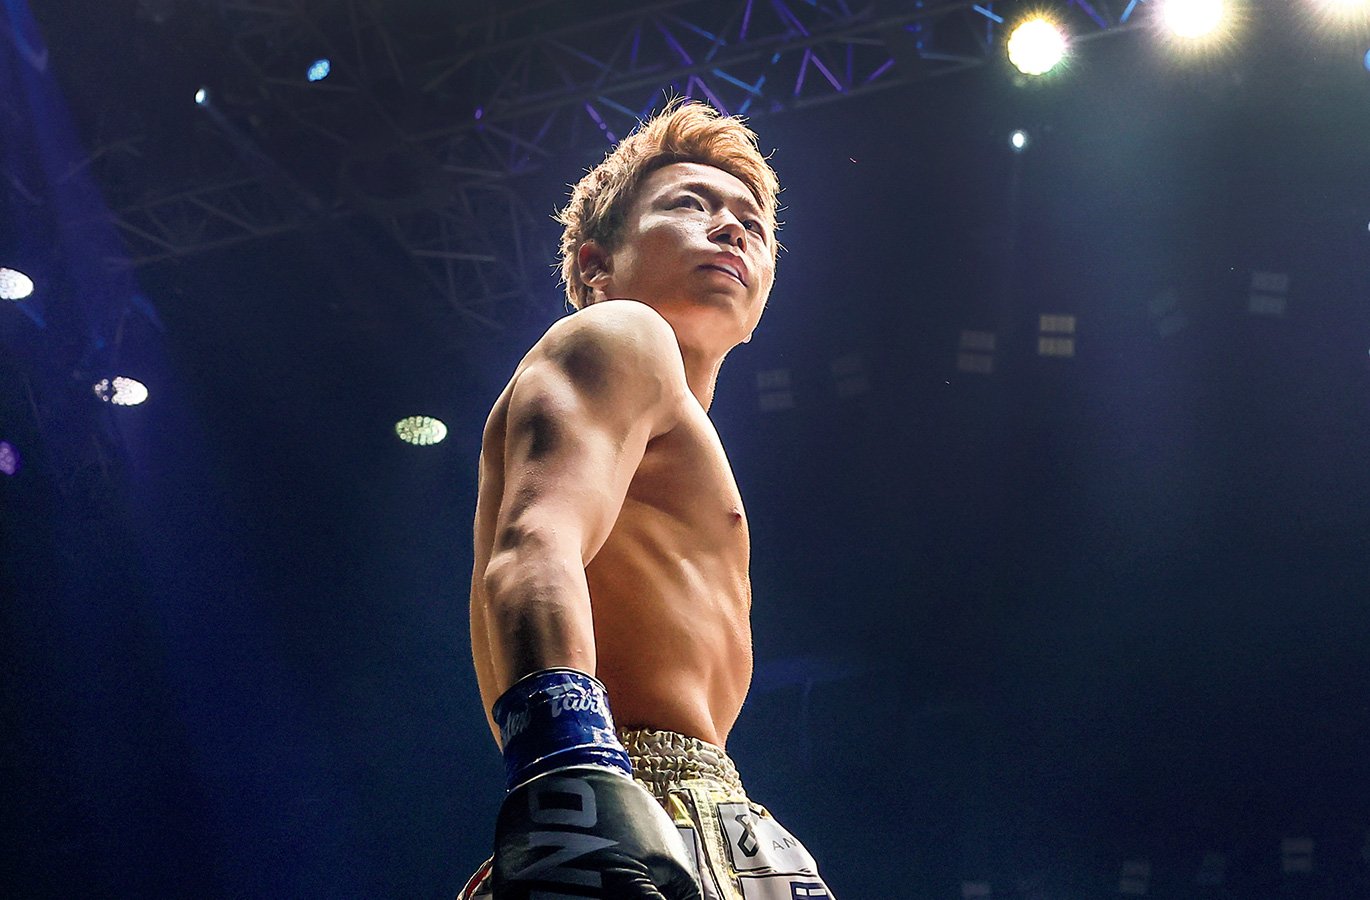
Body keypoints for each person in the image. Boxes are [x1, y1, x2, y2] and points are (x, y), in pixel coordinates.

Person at [459, 100, 835, 900]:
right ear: (597, 264)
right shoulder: (621, 333)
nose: (731, 229)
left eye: (753, 224)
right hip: (623, 787)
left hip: (713, 816)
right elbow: (535, 546)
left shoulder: (678, 420)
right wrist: (568, 767)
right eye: (691, 205)